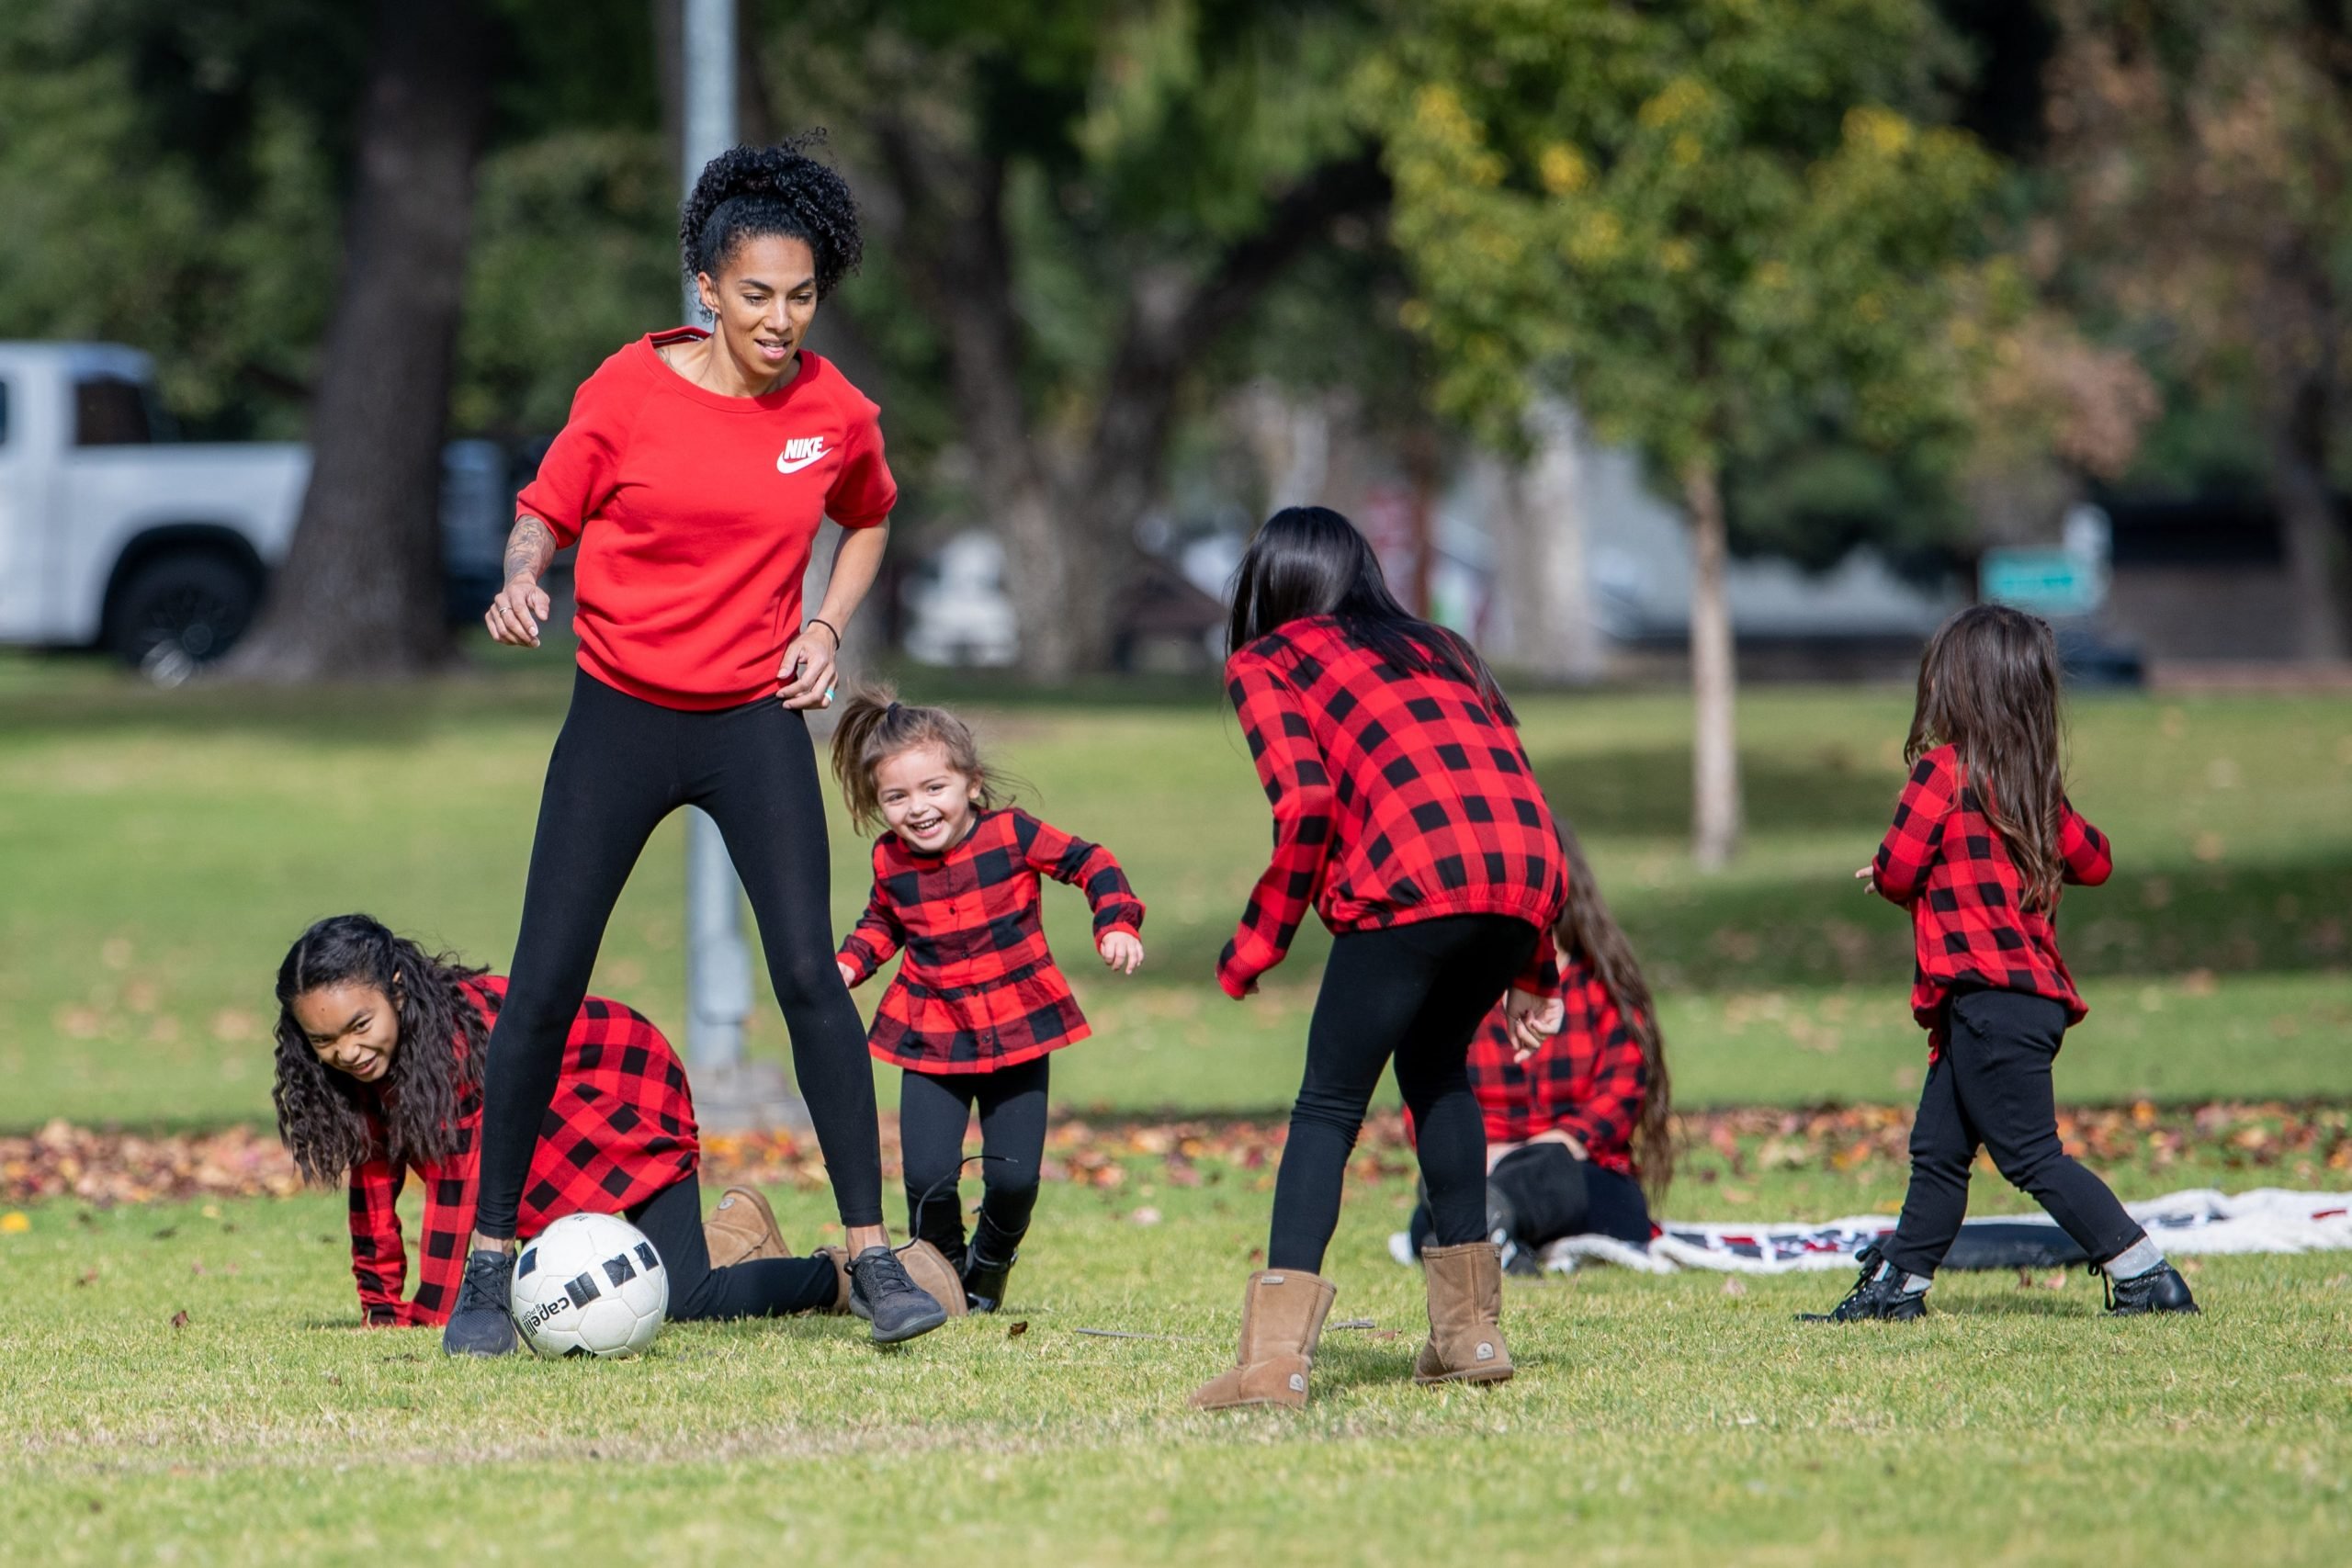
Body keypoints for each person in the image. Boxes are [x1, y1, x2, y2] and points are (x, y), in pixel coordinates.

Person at [452, 136, 946, 1354]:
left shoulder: (834, 412)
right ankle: (485, 1264)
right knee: (548, 977)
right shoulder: (625, 390)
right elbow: (541, 512)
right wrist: (522, 577)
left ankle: (872, 1255)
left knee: (808, 977)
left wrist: (827, 623)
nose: (781, 319)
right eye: (758, 294)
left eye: (801, 295)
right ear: (709, 290)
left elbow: (871, 516)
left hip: (749, 721)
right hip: (619, 714)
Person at [1192, 506, 1568, 1412]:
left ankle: (1273, 1363)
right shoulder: (1439, 647)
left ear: (1265, 585)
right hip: (1523, 875)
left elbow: (1308, 805)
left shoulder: (1268, 661)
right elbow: (1506, 787)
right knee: (1437, 1074)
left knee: (1327, 1104)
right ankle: (1469, 1334)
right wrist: (1533, 961)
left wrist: (1256, 943)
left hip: (1414, 882)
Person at [1804, 605, 2198, 1322]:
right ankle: (1900, 1286)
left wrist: (1916, 873)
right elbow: (2096, 862)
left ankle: (2144, 1272)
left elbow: (1896, 870)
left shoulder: (1941, 772)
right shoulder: (2029, 786)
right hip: (2018, 1002)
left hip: (1987, 1001)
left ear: (1956, 687)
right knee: (1938, 1150)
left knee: (2031, 1157)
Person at [271, 915, 846, 1329]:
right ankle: (738, 1237)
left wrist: (432, 1317)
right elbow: (372, 1181)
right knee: (549, 1287)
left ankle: (839, 1278)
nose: (347, 1051)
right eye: (324, 1040)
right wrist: (380, 1308)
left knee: (687, 1301)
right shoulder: (359, 1064)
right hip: (546, 1117)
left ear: (395, 991)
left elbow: (461, 1190)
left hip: (626, 1086)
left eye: (359, 1025)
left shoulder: (456, 1045)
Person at [829, 689, 1146, 1314]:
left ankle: (991, 1264)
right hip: (931, 1030)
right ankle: (944, 1272)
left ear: (971, 784)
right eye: (897, 797)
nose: (917, 809)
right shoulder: (889, 859)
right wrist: (846, 963)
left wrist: (1116, 922)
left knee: (1015, 1178)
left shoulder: (1011, 834)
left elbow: (1092, 861)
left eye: (933, 788)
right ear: (879, 803)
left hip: (1017, 1026)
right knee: (926, 1177)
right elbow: (882, 923)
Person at [1405, 823, 1671, 1271]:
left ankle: (1487, 1231)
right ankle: (1497, 1232)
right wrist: (1481, 1155)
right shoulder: (1458, 991)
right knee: (1433, 1207)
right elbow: (1423, 1096)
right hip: (1483, 1166)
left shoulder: (1603, 988)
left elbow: (1622, 1091)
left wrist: (1552, 1148)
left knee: (1590, 1195)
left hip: (1580, 1166)